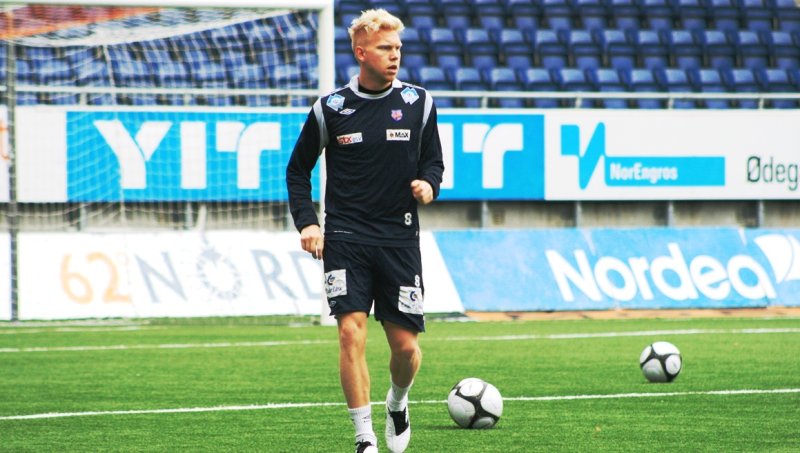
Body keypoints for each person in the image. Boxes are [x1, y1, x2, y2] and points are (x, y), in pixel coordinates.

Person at [285, 8, 444, 453]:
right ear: (361, 53)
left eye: (398, 48)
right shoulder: (329, 109)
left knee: (406, 348)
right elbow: (298, 172)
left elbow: (434, 161)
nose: (394, 56)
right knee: (350, 332)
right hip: (346, 238)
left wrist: (428, 184)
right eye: (384, 48)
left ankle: (398, 400)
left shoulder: (419, 103)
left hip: (398, 238)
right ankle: (364, 437)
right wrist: (308, 223)